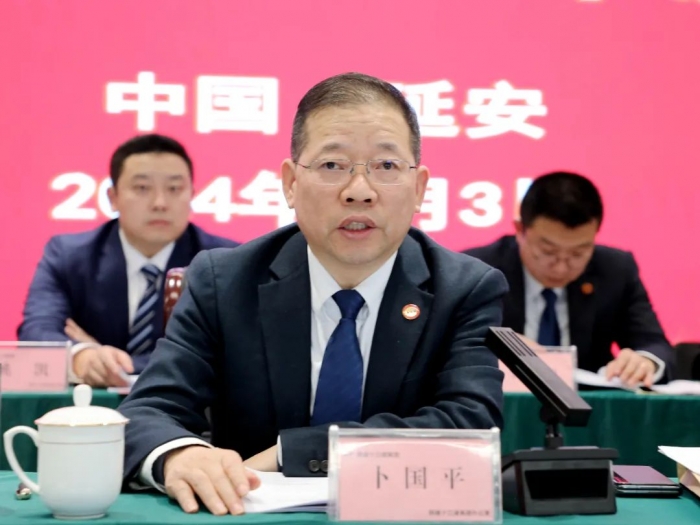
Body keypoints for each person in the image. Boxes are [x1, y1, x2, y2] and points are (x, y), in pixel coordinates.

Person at [118, 72, 509, 516]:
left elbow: (470, 427)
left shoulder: (464, 289)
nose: (359, 192)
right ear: (290, 183)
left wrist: (297, 451)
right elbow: (148, 411)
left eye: (385, 167)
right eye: (332, 166)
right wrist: (179, 455)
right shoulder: (223, 282)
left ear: (419, 188)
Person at [18, 134, 239, 386]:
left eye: (174, 189)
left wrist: (112, 364)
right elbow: (36, 333)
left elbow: (227, 352)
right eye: (142, 188)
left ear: (192, 195)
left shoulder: (226, 262)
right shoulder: (69, 255)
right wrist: (83, 356)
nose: (160, 203)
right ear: (113, 197)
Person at [464, 171, 674, 387]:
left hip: (587, 404)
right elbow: (452, 346)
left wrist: (645, 361)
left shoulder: (615, 270)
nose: (561, 267)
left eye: (578, 253)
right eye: (548, 251)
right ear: (520, 230)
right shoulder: (476, 271)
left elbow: (654, 344)